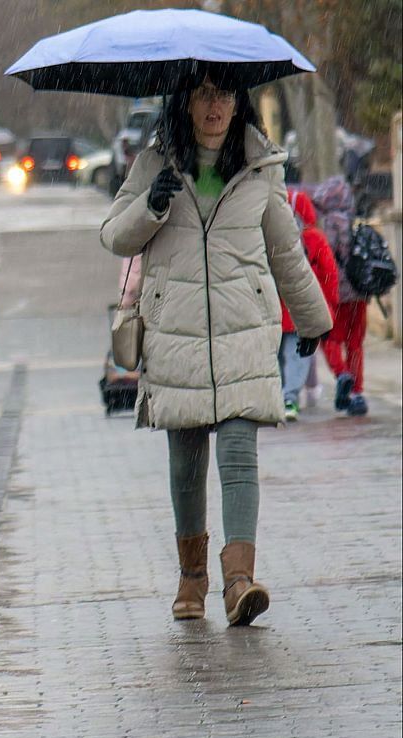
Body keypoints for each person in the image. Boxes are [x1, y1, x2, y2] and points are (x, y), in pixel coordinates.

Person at [101, 76, 331, 626]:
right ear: (184, 101)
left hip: (243, 329)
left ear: (239, 102)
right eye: (204, 94)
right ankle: (191, 579)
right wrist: (150, 207)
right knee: (185, 460)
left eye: (226, 94)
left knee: (237, 451)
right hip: (175, 331)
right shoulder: (156, 161)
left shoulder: (260, 164)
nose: (216, 106)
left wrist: (315, 316)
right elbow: (114, 235)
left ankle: (238, 582)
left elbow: (285, 249)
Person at [278, 189, 341, 421]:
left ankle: (278, 397)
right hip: (301, 309)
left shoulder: (271, 236)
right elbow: (329, 274)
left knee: (276, 355)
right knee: (297, 355)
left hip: (275, 308)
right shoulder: (314, 238)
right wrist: (329, 304)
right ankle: (289, 399)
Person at [310, 176, 370, 416]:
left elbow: (327, 260)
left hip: (337, 294)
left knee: (330, 339)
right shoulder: (356, 220)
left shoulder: (328, 224)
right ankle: (357, 393)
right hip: (360, 292)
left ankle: (342, 373)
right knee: (355, 344)